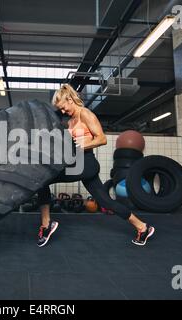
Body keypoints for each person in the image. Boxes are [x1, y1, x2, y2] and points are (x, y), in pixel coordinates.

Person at [36, 84, 155, 247]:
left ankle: (46, 224)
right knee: (106, 202)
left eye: (63, 107)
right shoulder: (71, 122)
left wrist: (81, 146)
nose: (63, 112)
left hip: (87, 164)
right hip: (80, 164)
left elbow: (102, 139)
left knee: (42, 179)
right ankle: (143, 227)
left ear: (70, 99)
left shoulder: (85, 113)